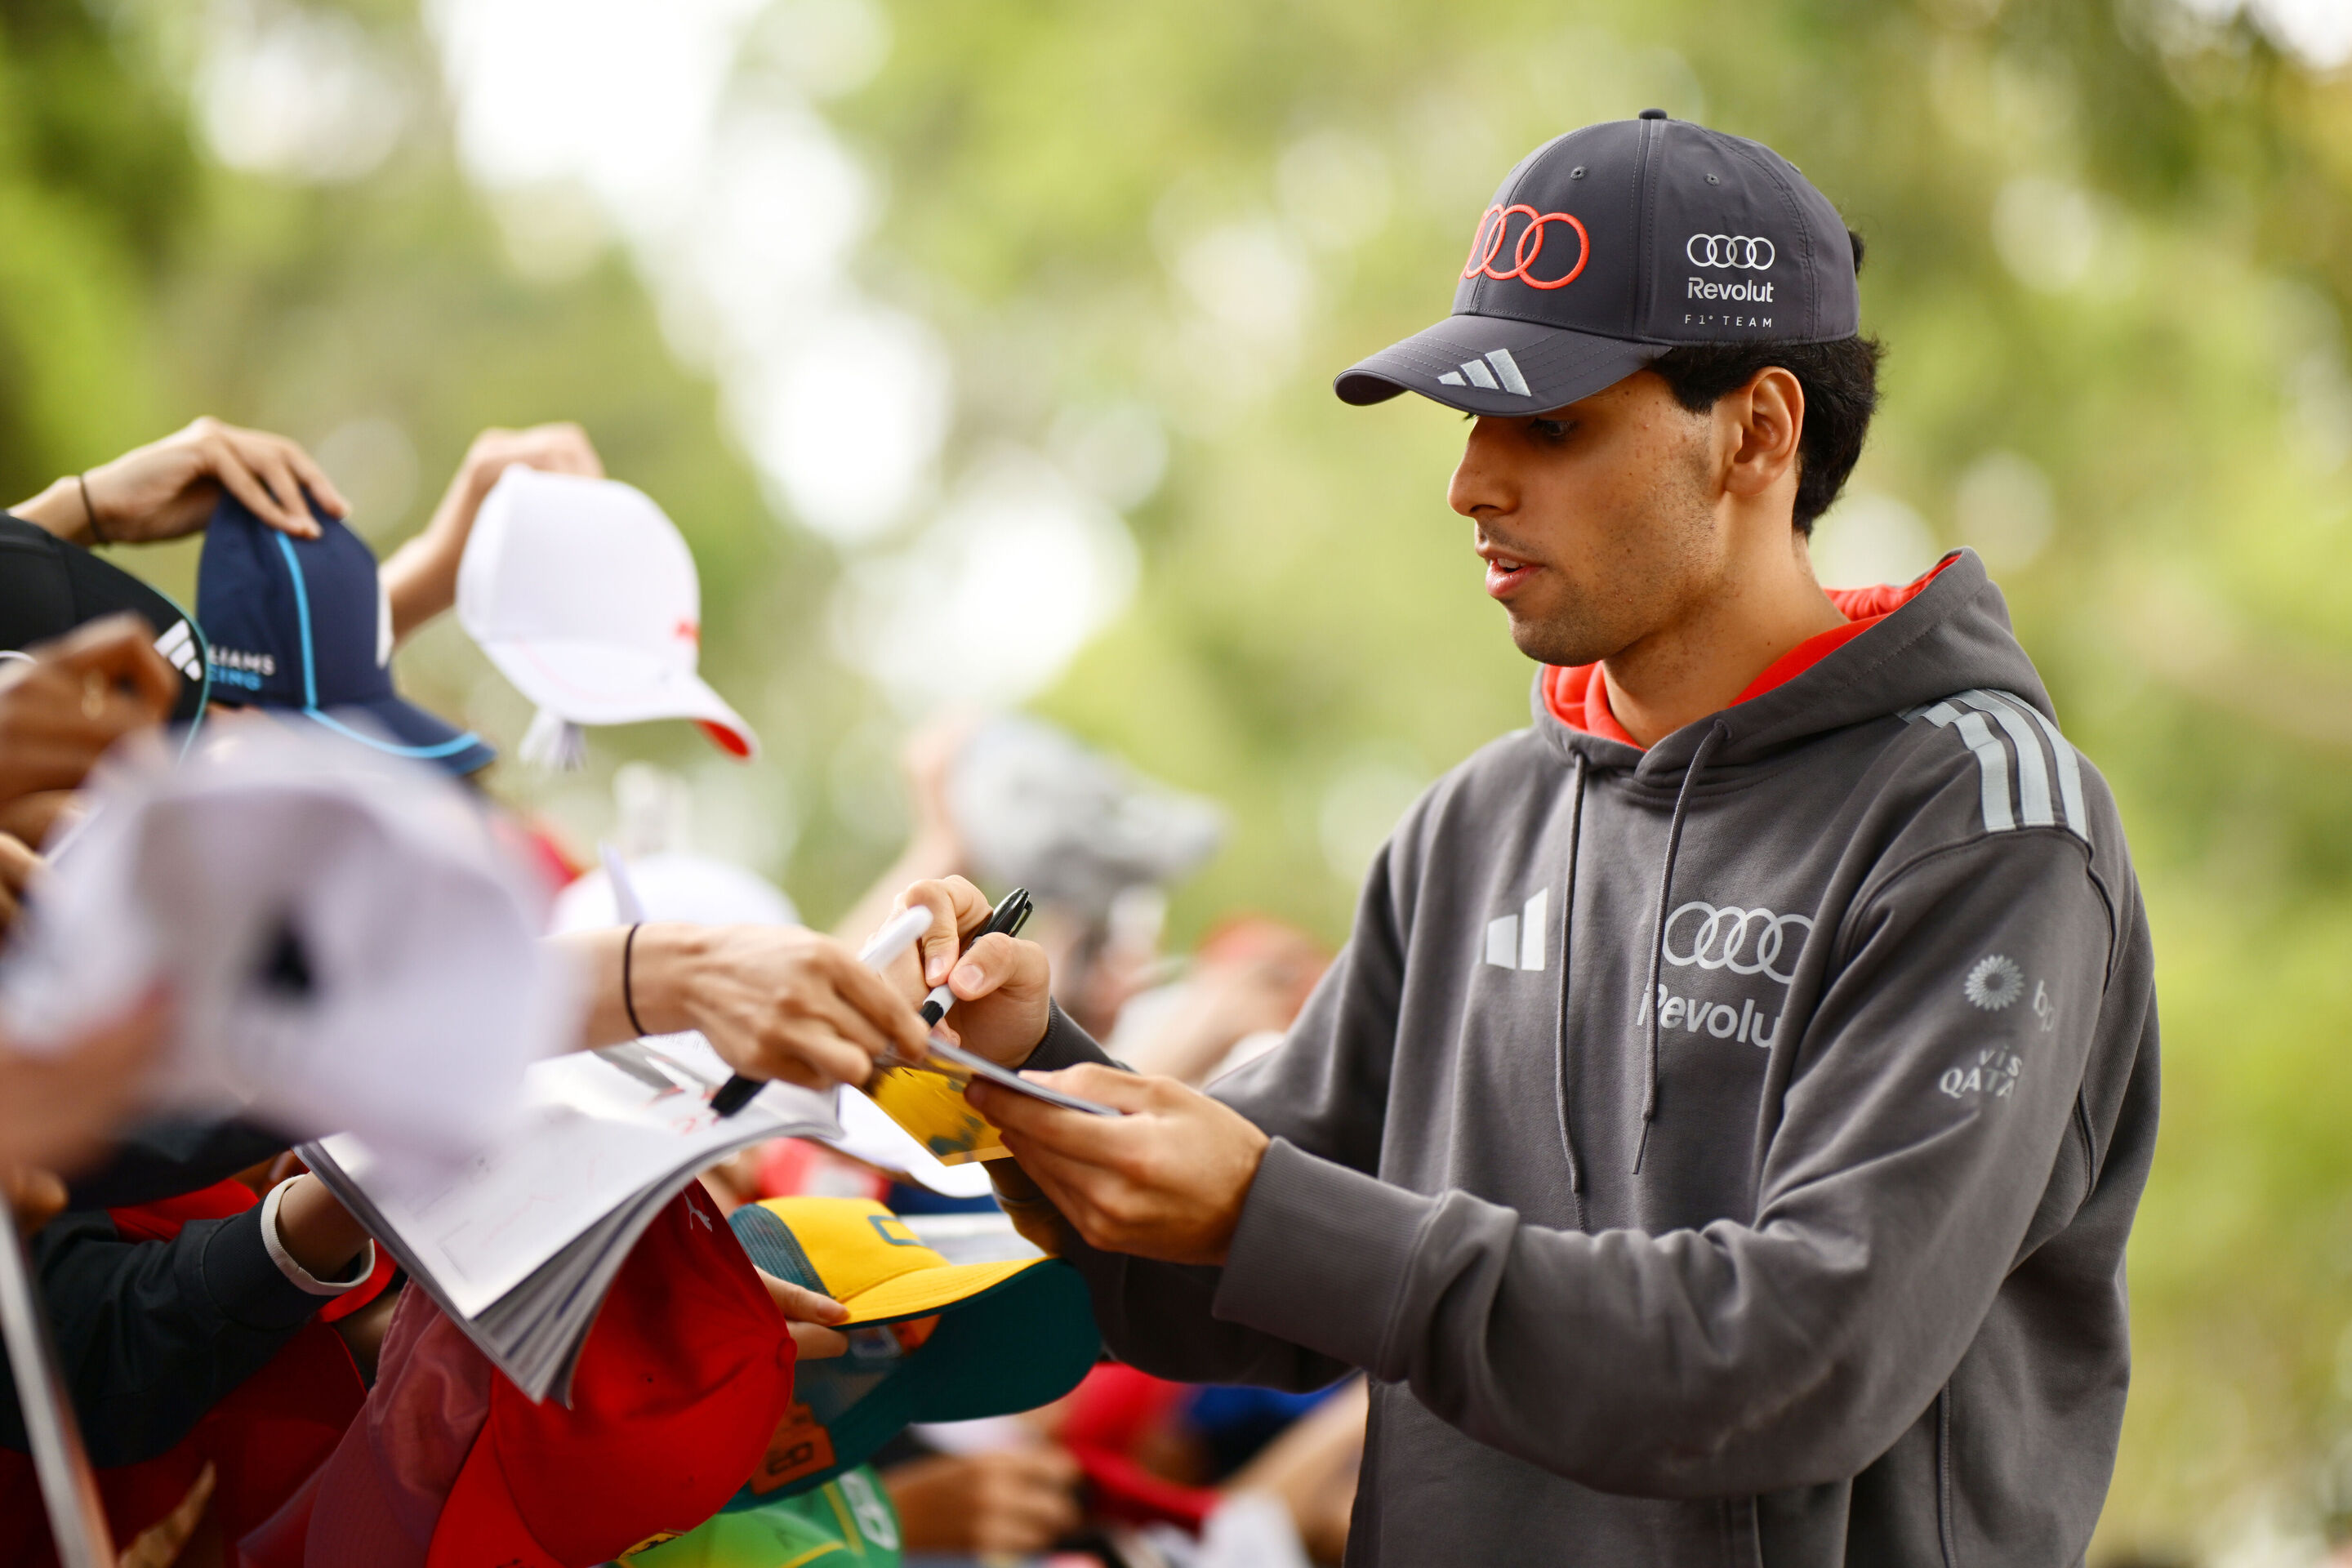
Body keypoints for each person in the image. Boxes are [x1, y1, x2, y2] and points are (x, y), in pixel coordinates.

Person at [893, 112, 2160, 1565]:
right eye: (1470, 420)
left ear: (1757, 432)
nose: (1472, 483)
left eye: (1550, 424)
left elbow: (1802, 1358)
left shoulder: (1986, 828)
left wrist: (1267, 1210)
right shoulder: (1471, 826)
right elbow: (1239, 1268)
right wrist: (1021, 1063)